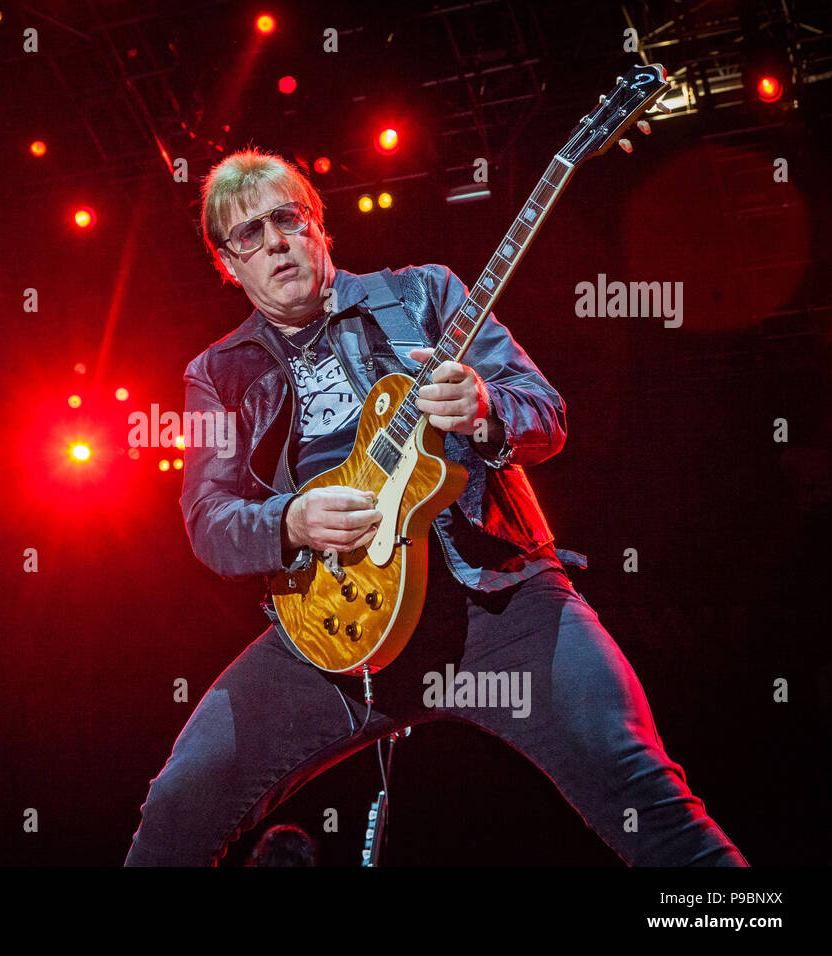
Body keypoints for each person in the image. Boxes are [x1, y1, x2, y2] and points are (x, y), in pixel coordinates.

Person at [123, 148, 747, 867]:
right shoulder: (219, 372)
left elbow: (545, 413)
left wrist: (485, 411)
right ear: (228, 264)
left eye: (287, 219)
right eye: (248, 235)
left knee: (647, 800)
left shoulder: (423, 294)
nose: (274, 243)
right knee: (175, 811)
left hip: (496, 602)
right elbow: (208, 520)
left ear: (319, 227)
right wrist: (288, 522)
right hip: (334, 630)